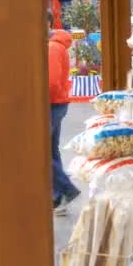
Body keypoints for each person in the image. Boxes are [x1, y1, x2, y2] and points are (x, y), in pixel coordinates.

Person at [48, 30, 81, 215]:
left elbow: (51, 82)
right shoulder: (57, 46)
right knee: (52, 150)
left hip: (52, 103)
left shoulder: (52, 47)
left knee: (43, 151)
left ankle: (66, 190)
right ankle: (58, 196)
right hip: (57, 103)